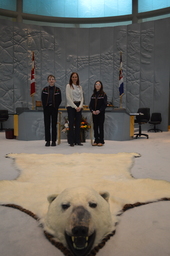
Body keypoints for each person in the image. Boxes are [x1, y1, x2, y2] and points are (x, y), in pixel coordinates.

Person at [41, 75, 62, 147]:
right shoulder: (45, 89)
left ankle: (53, 141)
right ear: (48, 81)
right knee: (47, 125)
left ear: (55, 80)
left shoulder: (57, 90)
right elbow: (43, 99)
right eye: (50, 79)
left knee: (54, 125)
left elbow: (59, 100)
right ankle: (47, 141)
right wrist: (45, 107)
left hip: (54, 109)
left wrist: (55, 107)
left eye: (53, 79)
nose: (51, 80)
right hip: (47, 108)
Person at [66, 72, 84, 147]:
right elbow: (68, 97)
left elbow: (82, 98)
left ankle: (78, 140)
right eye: (73, 77)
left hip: (79, 106)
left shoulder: (80, 87)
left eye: (75, 77)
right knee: (71, 123)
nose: (74, 78)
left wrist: (80, 106)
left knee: (78, 124)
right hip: (71, 106)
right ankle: (71, 141)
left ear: (77, 78)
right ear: (71, 78)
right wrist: (75, 106)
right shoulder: (68, 86)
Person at [89, 80, 107, 146]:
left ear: (101, 86)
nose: (97, 85)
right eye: (96, 84)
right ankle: (96, 139)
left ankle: (101, 140)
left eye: (99, 84)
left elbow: (104, 104)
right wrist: (92, 111)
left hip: (101, 113)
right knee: (95, 127)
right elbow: (90, 105)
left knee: (100, 126)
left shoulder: (104, 95)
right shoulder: (93, 95)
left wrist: (99, 110)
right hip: (94, 114)